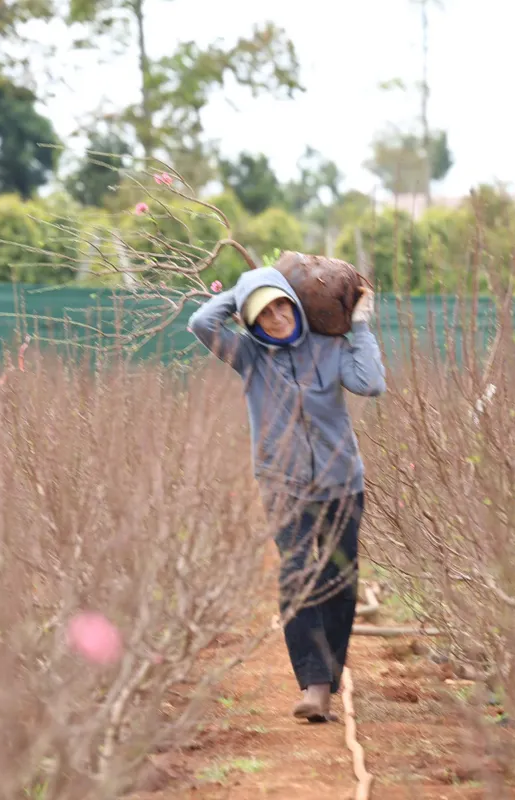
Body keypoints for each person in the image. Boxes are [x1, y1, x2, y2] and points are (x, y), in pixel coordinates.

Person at [188, 266, 386, 723]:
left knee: (339, 581)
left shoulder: (330, 348)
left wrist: (359, 326)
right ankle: (314, 685)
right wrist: (245, 286)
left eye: (281, 304)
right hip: (283, 484)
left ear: (294, 304)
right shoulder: (248, 356)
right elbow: (200, 324)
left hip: (341, 484)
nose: (277, 317)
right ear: (251, 322)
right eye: (265, 312)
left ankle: (330, 678)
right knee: (297, 576)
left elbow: (371, 383)